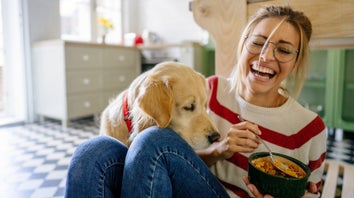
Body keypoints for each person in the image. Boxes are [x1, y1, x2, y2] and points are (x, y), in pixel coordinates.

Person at [65, 5, 326, 198]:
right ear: (243, 45)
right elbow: (173, 160)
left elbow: (312, 192)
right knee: (92, 152)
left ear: (296, 60)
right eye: (258, 43)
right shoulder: (208, 88)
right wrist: (220, 150)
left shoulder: (309, 129)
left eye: (283, 49)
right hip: (186, 188)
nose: (267, 56)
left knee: (152, 140)